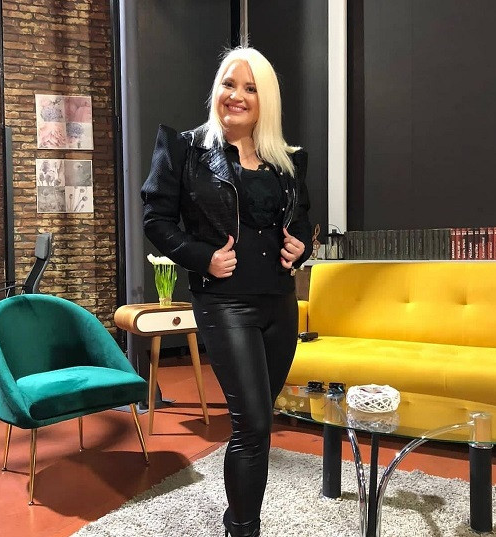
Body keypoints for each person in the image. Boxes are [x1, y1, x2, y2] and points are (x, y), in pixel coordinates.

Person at [141, 46, 312, 537]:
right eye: (229, 84)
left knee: (260, 424)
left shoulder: (286, 161)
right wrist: (203, 257)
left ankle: (239, 521)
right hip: (225, 302)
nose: (237, 95)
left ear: (265, 101)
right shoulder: (184, 149)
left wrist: (300, 247)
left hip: (279, 304)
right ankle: (242, 529)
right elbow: (156, 219)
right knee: (251, 426)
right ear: (216, 90)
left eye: (250, 88)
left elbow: (301, 218)